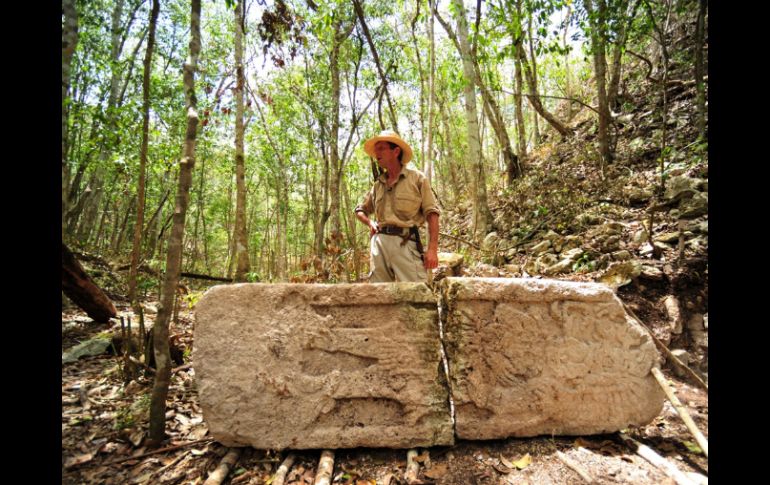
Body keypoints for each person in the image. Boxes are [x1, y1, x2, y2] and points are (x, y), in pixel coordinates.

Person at [354, 130, 440, 282]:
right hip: (379, 245)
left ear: (396, 151)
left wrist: (432, 250)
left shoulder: (417, 179)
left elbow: (432, 213)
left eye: (381, 148)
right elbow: (360, 210)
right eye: (375, 149)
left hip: (405, 242)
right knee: (379, 295)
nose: (376, 153)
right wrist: (370, 223)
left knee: (417, 294)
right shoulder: (378, 185)